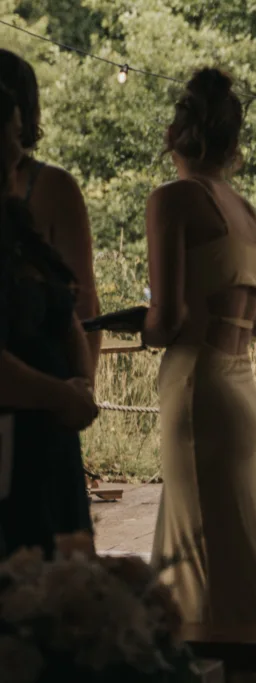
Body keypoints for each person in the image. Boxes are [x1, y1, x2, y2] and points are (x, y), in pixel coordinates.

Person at [143, 68, 256, 683]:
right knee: (241, 552)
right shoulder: (246, 211)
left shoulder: (173, 200)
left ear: (178, 133)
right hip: (240, 389)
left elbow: (168, 319)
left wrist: (127, 325)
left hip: (196, 390)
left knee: (198, 557)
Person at [0, 84, 98, 560]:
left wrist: (81, 383)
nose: (20, 150)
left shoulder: (18, 225)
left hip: (49, 442)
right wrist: (60, 393)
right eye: (11, 134)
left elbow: (70, 305)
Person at [0, 50, 101, 375]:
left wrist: (83, 389)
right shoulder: (54, 187)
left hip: (45, 390)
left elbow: (83, 302)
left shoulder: (54, 187)